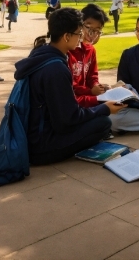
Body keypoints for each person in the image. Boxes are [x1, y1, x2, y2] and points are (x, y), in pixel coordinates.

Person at [17, 8, 124, 165]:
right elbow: (67, 121)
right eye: (78, 34)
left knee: (99, 119)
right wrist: (104, 108)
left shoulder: (43, 55)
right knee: (103, 123)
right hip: (40, 146)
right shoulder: (57, 68)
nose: (81, 38)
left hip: (32, 134)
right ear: (67, 37)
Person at [68, 4, 110, 107]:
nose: (93, 34)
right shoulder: (69, 50)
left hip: (86, 97)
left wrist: (97, 86)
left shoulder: (91, 50)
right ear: (80, 24)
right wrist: (90, 91)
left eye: (97, 30)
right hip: (72, 100)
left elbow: (93, 75)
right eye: (89, 27)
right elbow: (70, 85)